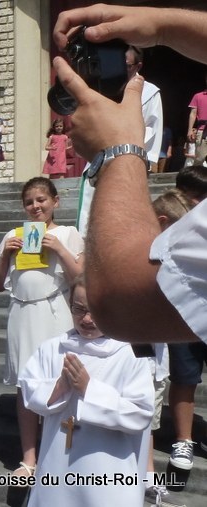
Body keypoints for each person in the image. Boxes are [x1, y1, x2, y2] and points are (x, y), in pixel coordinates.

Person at [50, 4, 207, 345]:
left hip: (127, 160)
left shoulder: (149, 92)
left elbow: (123, 301)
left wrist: (118, 153)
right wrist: (164, 25)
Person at [18, 275, 153, 507]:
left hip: (109, 473)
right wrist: (57, 388)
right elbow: (28, 389)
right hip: (56, 468)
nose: (87, 319)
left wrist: (89, 390)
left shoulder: (130, 354)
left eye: (95, 311)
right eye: (79, 309)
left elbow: (141, 413)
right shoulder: (52, 349)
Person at [0, 177, 84, 478]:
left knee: (59, 379)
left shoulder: (68, 233)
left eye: (41, 200)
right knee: (26, 385)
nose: (35, 206)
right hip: (21, 313)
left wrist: (59, 248)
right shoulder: (14, 235)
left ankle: (58, 452)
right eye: (29, 202)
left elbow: (80, 277)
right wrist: (6, 254)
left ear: (55, 202)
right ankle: (29, 458)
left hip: (55, 312)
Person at [76, 44, 163, 237]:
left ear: (138, 66)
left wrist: (140, 160)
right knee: (89, 217)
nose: (121, 69)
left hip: (129, 160)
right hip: (98, 160)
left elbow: (152, 128)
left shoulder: (149, 93)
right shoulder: (102, 88)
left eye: (127, 65)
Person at [146, 190, 190, 507]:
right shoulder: (145, 256)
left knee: (148, 418)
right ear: (163, 223)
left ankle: (147, 476)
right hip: (136, 350)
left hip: (155, 353)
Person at [188, 70, 207, 165]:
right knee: (199, 159)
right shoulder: (198, 96)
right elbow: (193, 113)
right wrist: (190, 130)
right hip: (202, 131)